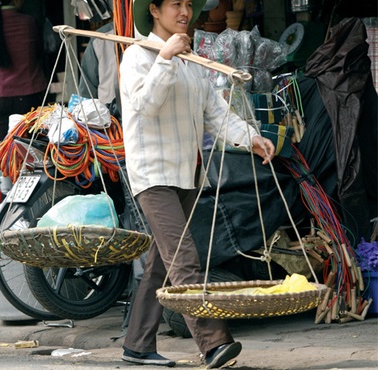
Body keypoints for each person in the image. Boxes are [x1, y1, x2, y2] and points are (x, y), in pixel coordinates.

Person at [119, 0, 275, 368]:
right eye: (175, 4)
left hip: (186, 174)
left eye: (188, 4)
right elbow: (147, 105)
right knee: (184, 259)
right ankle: (213, 343)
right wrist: (166, 59)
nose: (184, 11)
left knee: (162, 265)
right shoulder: (138, 57)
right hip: (153, 175)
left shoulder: (193, 63)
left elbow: (215, 113)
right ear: (154, 10)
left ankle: (137, 345)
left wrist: (250, 137)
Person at [0, 0, 48, 141]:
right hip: (30, 93)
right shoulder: (28, 23)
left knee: (5, 149)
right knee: (34, 147)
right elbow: (39, 52)